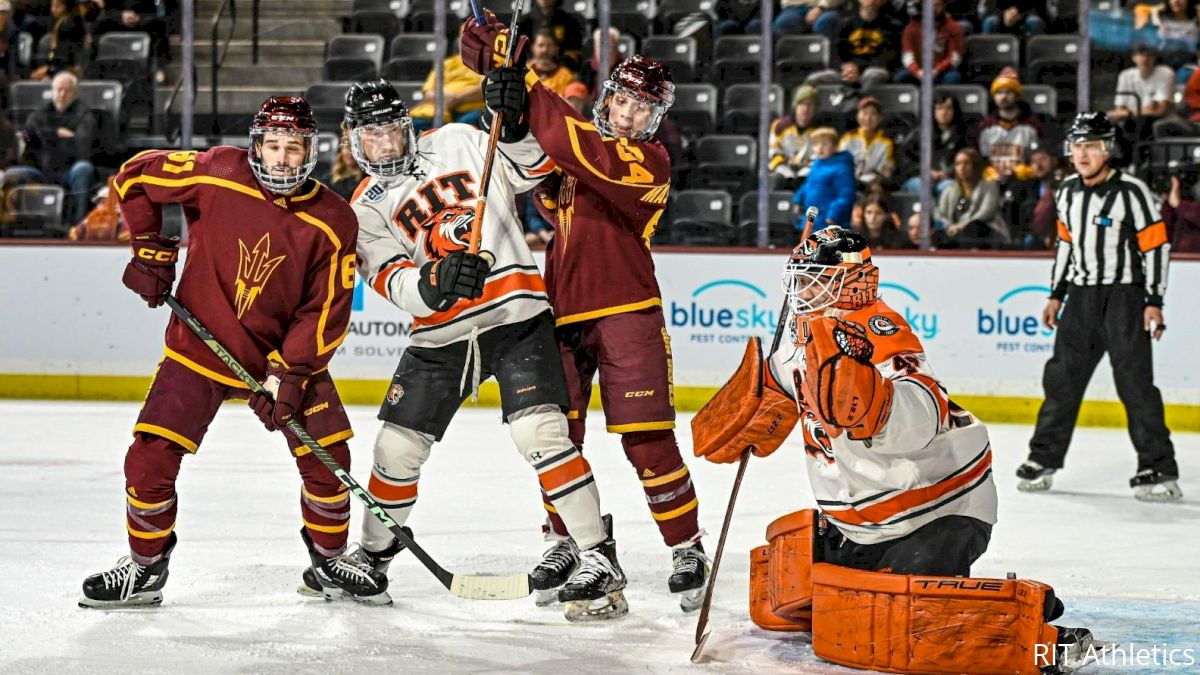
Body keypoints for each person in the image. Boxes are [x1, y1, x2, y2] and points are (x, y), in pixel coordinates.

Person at [693, 227, 1098, 674]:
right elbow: (776, 390)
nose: (800, 289)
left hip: (938, 512)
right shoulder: (797, 342)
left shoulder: (877, 328)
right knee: (790, 595)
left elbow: (924, 409)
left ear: (848, 280)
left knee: (905, 630)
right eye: (799, 277)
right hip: (865, 525)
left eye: (813, 278)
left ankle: (1034, 628)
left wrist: (878, 407)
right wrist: (754, 406)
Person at [77, 96, 387, 608]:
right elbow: (133, 177)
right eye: (274, 145)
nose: (283, 157)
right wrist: (151, 248)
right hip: (198, 349)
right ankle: (145, 567)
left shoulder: (334, 218)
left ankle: (330, 561)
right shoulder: (219, 169)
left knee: (328, 457)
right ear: (256, 145)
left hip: (278, 359)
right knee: (149, 459)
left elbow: (324, 310)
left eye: (294, 147)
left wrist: (289, 375)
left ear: (311, 150)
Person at [342, 79, 625, 623]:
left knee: (540, 434)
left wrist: (516, 122)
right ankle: (375, 556)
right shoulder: (364, 208)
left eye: (390, 129)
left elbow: (533, 167)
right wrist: (436, 279)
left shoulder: (459, 141)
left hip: (516, 315)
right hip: (440, 335)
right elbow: (390, 280)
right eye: (371, 134)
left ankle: (598, 557)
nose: (384, 143)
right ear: (356, 140)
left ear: (408, 125)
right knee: (396, 449)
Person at [460, 22, 710, 612]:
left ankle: (687, 546)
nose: (626, 115)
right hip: (564, 315)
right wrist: (509, 103)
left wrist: (528, 81)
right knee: (556, 437)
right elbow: (533, 162)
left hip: (629, 313)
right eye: (621, 100)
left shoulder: (649, 162)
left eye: (641, 107)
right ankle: (566, 540)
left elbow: (577, 148)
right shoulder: (574, 154)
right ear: (608, 100)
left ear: (654, 119)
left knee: (647, 439)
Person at [1017, 112, 1180, 503]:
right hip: (1081, 299)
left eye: (1092, 145)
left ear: (1108, 149)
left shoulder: (1133, 191)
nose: (1083, 153)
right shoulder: (1067, 192)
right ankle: (1043, 460)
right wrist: (1056, 294)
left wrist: (1154, 300)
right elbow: (1066, 247)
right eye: (1077, 145)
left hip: (1125, 298)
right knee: (1062, 382)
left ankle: (1157, 467)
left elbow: (1156, 247)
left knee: (1135, 384)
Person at [19, 71, 97, 223]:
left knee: (83, 169)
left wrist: (44, 138)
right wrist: (55, 134)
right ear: (52, 91)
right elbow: (26, 136)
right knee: (15, 173)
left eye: (67, 90)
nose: (62, 94)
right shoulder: (39, 113)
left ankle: (78, 224)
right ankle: (17, 225)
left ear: (75, 94)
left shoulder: (85, 115)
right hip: (40, 168)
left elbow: (82, 145)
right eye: (58, 89)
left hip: (70, 168)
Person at [924, 147, 1007, 248]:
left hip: (985, 234)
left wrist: (961, 226)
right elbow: (940, 215)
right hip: (956, 234)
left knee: (973, 227)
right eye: (957, 164)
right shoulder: (949, 190)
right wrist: (950, 227)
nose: (961, 168)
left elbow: (986, 213)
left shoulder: (989, 186)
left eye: (966, 163)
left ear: (975, 165)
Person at [408, 24, 484, 133]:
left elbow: (484, 89)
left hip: (470, 111)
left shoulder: (488, 63)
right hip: (441, 110)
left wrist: (458, 98)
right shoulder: (446, 64)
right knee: (415, 123)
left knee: (469, 122)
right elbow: (428, 93)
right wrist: (446, 99)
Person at [900, 92, 967, 196]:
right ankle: (928, 213)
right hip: (919, 178)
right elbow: (905, 162)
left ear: (955, 111)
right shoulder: (918, 134)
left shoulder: (963, 135)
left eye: (948, 108)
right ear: (933, 111)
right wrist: (925, 172)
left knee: (950, 188)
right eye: (939, 108)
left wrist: (947, 173)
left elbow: (968, 160)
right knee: (923, 186)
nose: (944, 112)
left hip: (948, 179)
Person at [792, 126, 855, 231]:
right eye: (816, 144)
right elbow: (809, 185)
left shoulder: (842, 168)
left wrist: (833, 215)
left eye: (824, 144)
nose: (820, 148)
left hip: (829, 222)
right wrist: (798, 199)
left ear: (835, 147)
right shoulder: (816, 164)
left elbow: (846, 195)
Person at [1108, 43, 1175, 141]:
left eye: (1149, 55)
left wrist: (1128, 112)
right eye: (1141, 55)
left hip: (1154, 120)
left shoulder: (1165, 73)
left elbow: (1159, 110)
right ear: (1133, 58)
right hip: (1130, 120)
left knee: (1142, 123)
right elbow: (1119, 109)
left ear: (1155, 58)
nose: (1145, 59)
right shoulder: (1125, 76)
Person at [834, 0, 901, 90]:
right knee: (819, 78)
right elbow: (835, 54)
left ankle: (865, 102)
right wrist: (846, 68)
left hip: (875, 70)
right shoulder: (845, 25)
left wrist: (858, 68)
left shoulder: (891, 27)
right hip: (849, 71)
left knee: (873, 74)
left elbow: (886, 59)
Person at [895, 0, 964, 85]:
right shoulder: (911, 28)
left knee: (952, 78)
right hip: (919, 69)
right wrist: (917, 72)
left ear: (943, 6)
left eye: (937, 5)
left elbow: (955, 57)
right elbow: (907, 56)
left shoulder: (953, 27)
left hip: (943, 71)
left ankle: (943, 98)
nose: (933, 9)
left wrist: (937, 70)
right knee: (900, 78)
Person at [768, 84, 818, 190]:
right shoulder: (779, 126)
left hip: (809, 173)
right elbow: (774, 152)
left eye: (810, 105)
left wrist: (805, 172)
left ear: (815, 109)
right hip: (783, 171)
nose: (805, 109)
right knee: (776, 181)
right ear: (795, 106)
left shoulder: (820, 130)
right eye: (802, 104)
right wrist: (784, 170)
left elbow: (820, 156)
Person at [838, 96, 894, 187]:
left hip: (872, 184)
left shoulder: (887, 142)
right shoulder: (848, 138)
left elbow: (885, 171)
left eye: (873, 114)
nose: (868, 118)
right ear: (857, 116)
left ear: (880, 118)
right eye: (864, 113)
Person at [29, 0, 87, 80]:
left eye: (58, 6)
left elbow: (67, 54)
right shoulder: (60, 22)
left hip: (69, 67)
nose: (54, 9)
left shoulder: (72, 23)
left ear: (66, 6)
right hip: (59, 65)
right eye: (52, 6)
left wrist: (49, 70)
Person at [527, 28, 575, 96]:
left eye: (549, 45)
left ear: (556, 48)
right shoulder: (524, 72)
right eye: (540, 45)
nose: (545, 50)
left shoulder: (566, 76)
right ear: (533, 47)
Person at [318, 137, 364, 202]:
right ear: (341, 151)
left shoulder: (367, 179)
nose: (349, 152)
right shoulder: (328, 179)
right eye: (347, 148)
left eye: (353, 148)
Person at [1162, 174, 1200, 253]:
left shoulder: (1190, 209)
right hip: (1176, 259)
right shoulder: (1171, 209)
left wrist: (1179, 205)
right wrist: (1169, 203)